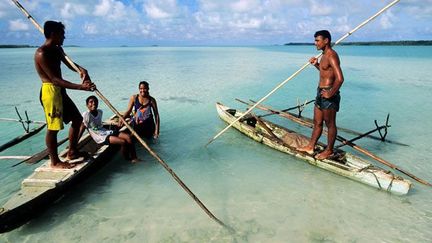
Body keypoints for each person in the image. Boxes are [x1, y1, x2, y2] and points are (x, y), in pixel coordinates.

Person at [34, 20, 96, 169]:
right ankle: (54, 162)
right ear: (54, 34)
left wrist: (82, 70)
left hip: (61, 91)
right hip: (51, 92)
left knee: (77, 119)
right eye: (62, 34)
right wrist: (81, 87)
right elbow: (55, 80)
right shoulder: (41, 53)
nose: (64, 37)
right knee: (53, 128)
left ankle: (72, 151)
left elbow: (70, 64)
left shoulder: (57, 49)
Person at [298, 30, 344, 160]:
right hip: (320, 92)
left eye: (317, 40)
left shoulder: (331, 55)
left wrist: (330, 93)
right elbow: (326, 72)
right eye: (315, 40)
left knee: (330, 124)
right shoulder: (323, 55)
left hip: (330, 93)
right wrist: (316, 65)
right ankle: (310, 146)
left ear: (326, 41)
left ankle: (329, 150)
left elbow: (340, 78)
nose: (315, 43)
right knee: (317, 122)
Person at [80, 96, 140, 163]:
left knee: (128, 137)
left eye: (95, 102)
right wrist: (76, 141)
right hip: (100, 137)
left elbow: (100, 125)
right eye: (91, 102)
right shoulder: (86, 114)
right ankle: (127, 159)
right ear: (87, 105)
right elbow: (82, 127)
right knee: (123, 142)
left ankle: (134, 158)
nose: (94, 103)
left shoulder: (100, 112)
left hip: (106, 132)